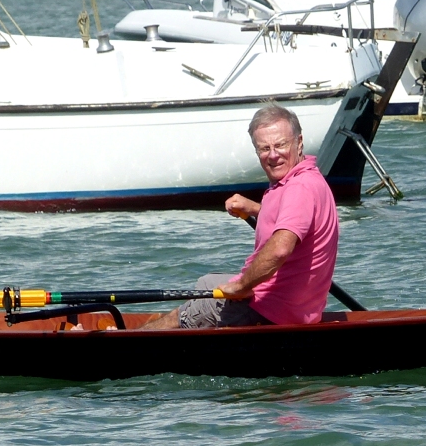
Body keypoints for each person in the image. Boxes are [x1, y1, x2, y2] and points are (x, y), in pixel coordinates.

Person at [142, 103, 339, 330]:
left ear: (299, 142)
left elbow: (280, 248)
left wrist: (243, 286)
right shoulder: (308, 178)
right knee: (206, 283)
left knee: (199, 306)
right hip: (297, 304)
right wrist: (256, 209)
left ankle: (131, 340)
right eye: (264, 148)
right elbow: (294, 217)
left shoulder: (299, 188)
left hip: (273, 310)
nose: (273, 155)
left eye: (280, 145)